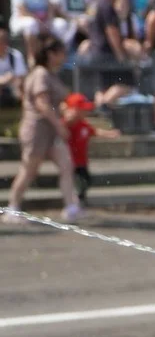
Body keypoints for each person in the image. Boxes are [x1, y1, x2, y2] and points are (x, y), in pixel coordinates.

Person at [3, 34, 83, 223]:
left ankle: (71, 207)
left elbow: (57, 101)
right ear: (50, 54)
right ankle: (12, 208)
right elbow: (42, 104)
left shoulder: (50, 74)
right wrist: (60, 124)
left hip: (51, 130)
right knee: (29, 170)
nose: (64, 56)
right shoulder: (40, 74)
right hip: (37, 130)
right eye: (61, 53)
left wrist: (66, 111)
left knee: (66, 165)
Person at [62, 92, 121, 204]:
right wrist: (67, 116)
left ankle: (81, 201)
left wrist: (110, 134)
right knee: (76, 182)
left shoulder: (83, 125)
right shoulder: (67, 124)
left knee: (86, 181)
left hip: (82, 162)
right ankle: (74, 202)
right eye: (82, 109)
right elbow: (61, 130)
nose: (86, 112)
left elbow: (95, 132)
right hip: (71, 163)